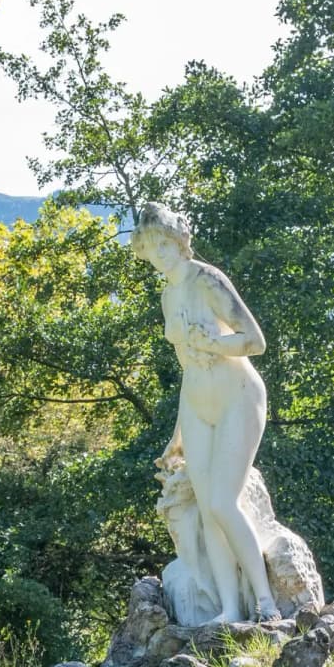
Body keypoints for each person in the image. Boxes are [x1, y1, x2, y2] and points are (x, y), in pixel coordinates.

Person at [131, 202, 281, 624]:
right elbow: (185, 365)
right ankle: (229, 608)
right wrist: (177, 430)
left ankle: (266, 602)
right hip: (197, 402)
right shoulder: (167, 294)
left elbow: (255, 341)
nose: (159, 253)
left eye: (164, 243)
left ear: (180, 242)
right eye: (151, 246)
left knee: (220, 501)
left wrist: (214, 344)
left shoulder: (207, 280)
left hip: (237, 395)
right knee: (205, 506)